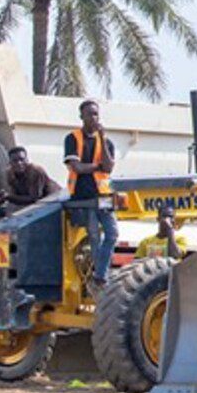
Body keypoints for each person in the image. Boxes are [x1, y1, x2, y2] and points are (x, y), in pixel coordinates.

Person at [64, 100, 118, 296]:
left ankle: (100, 275)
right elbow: (76, 168)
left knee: (112, 234)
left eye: (96, 114)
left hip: (103, 195)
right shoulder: (73, 138)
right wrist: (97, 166)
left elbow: (109, 167)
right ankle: (100, 280)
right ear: (82, 116)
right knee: (94, 237)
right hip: (83, 196)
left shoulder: (106, 141)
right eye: (90, 114)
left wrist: (102, 138)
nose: (94, 118)